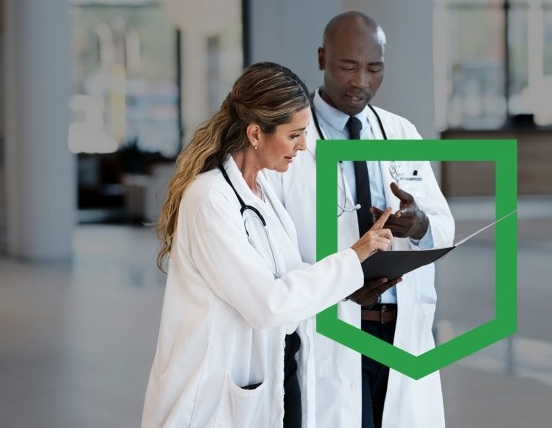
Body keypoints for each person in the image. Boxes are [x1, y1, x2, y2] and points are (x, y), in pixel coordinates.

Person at [142, 61, 396, 428]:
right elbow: (268, 303)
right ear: (256, 134)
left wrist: (354, 280)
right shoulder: (211, 199)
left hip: (277, 374)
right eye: (294, 135)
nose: (303, 146)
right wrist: (351, 260)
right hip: (213, 395)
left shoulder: (261, 194)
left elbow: (288, 276)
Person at [265, 11, 455, 428]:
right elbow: (273, 251)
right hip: (331, 328)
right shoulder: (292, 139)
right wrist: (343, 280)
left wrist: (418, 223)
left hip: (401, 329)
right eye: (348, 66)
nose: (361, 82)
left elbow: (442, 224)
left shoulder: (401, 133)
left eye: (374, 68)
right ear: (321, 58)